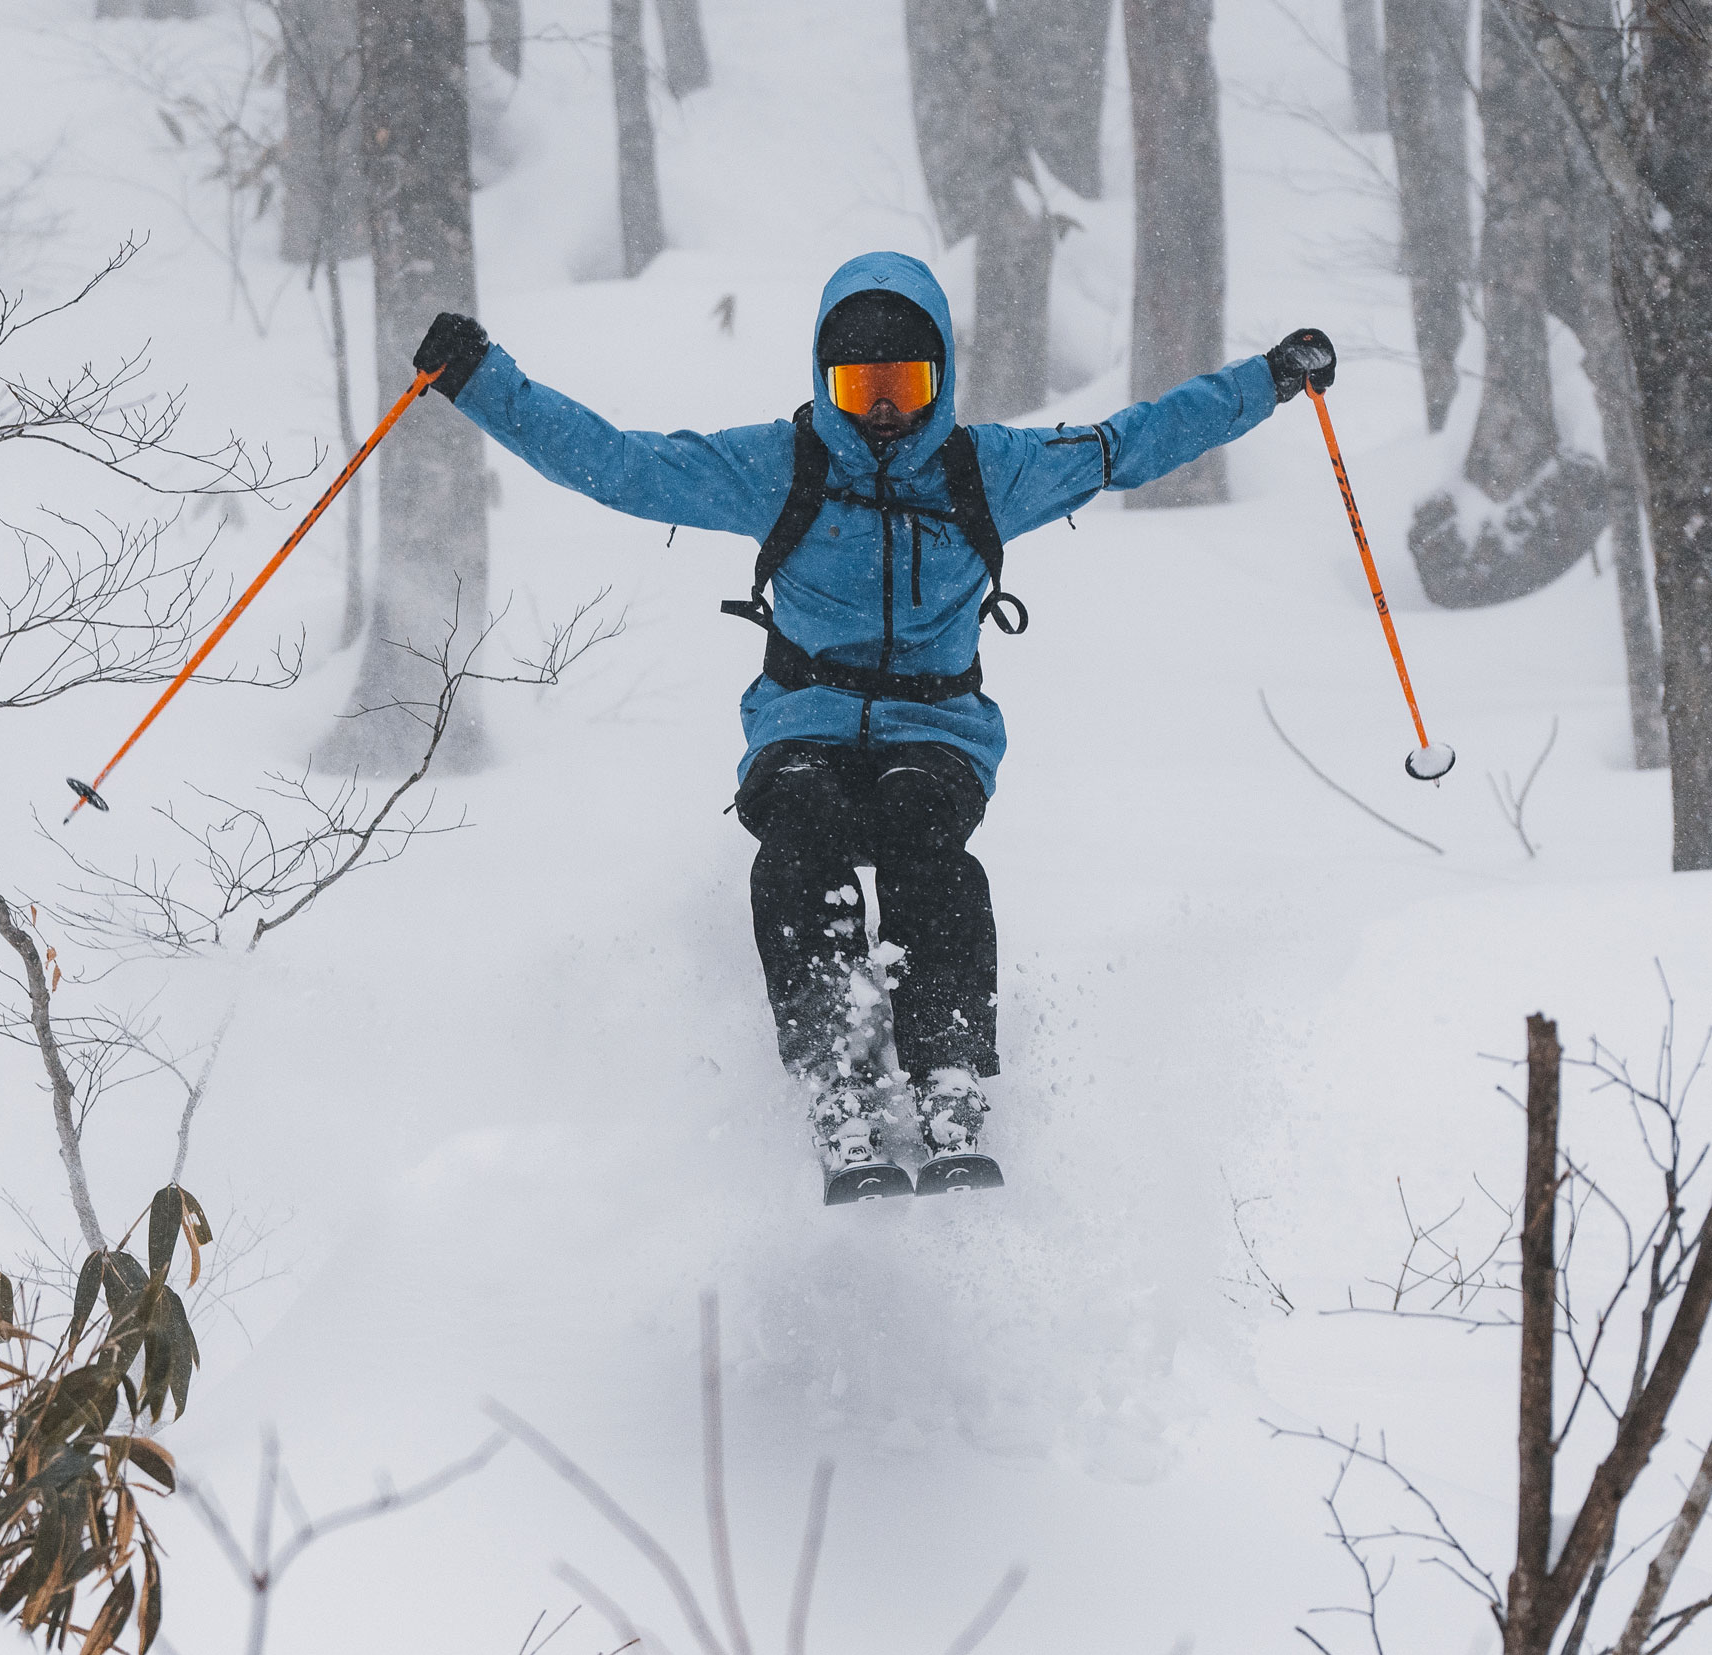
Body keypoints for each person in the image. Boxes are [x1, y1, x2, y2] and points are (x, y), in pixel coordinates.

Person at [410, 252, 1335, 1203]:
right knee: (799, 834)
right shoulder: (781, 467)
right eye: (861, 385)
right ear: (825, 379)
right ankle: (838, 1075)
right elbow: (621, 465)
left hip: (934, 728)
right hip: (802, 721)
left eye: (906, 384)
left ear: (940, 380)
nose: (884, 409)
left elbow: (1131, 442)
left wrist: (1268, 379)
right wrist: (481, 383)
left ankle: (948, 1075)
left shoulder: (988, 471)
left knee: (922, 836)